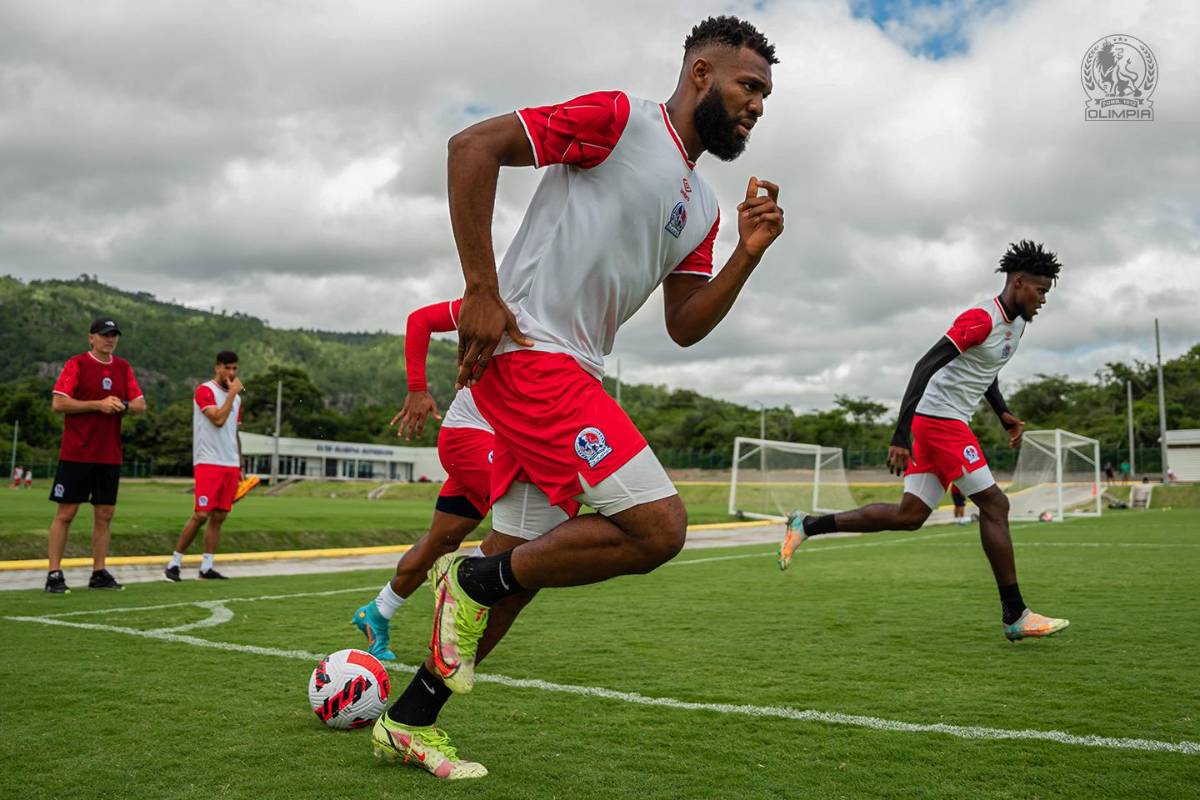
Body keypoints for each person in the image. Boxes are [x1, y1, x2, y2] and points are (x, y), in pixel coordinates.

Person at [370, 16, 784, 780]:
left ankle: (409, 719)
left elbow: (686, 325)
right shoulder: (621, 119)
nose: (757, 104)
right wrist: (480, 291)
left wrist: (747, 255)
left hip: (575, 371)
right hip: (530, 355)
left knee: (515, 571)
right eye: (747, 85)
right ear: (701, 74)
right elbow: (473, 147)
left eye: (765, 94)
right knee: (658, 529)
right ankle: (464, 578)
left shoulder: (702, 207)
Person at [778, 241, 1069, 643]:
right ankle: (1015, 613)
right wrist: (900, 434)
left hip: (942, 422)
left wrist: (1001, 412)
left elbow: (986, 369)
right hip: (939, 421)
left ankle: (807, 525)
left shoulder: (1015, 325)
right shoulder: (980, 319)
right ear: (1018, 282)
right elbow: (925, 366)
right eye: (1040, 291)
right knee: (995, 504)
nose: (1042, 300)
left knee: (909, 516)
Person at [351, 298, 496, 659]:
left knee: (441, 542)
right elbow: (420, 320)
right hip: (471, 437)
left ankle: (377, 612)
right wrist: (417, 387)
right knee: (532, 518)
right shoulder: (502, 298)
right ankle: (458, 596)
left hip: (496, 441)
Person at [45, 317, 146, 593]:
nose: (109, 339)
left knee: (105, 514)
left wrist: (121, 404)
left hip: (109, 454)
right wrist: (97, 405)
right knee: (66, 512)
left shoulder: (123, 367)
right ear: (91, 338)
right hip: (77, 452)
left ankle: (98, 572)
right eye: (104, 335)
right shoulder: (77, 364)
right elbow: (58, 402)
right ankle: (54, 573)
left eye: (113, 335)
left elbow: (140, 404)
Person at [164, 351, 243, 581]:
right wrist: (232, 395)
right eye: (227, 368)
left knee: (220, 516)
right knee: (201, 514)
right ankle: (174, 563)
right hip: (208, 461)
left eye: (235, 369)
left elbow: (234, 432)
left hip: (230, 463)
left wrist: (241, 465)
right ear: (217, 367)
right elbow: (218, 420)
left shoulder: (237, 398)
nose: (231, 373)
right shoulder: (204, 390)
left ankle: (206, 567)